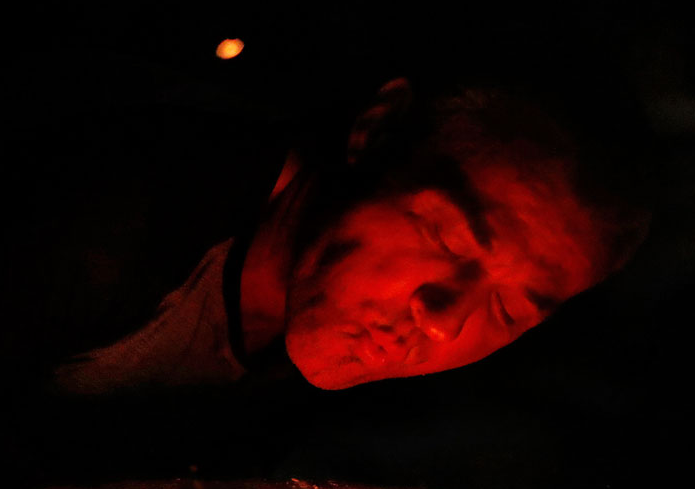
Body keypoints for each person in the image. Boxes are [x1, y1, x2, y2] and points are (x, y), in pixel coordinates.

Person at [53, 75, 651, 395]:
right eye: (447, 239)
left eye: (508, 309)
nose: (443, 321)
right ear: (377, 133)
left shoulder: (285, 372)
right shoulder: (131, 210)